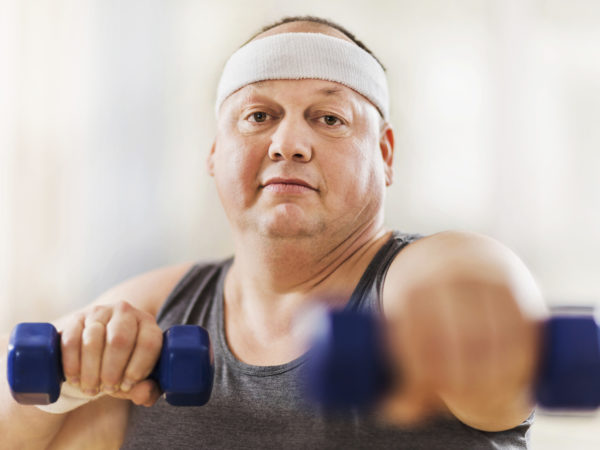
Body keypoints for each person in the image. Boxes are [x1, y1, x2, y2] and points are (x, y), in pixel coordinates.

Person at [0, 15, 547, 449]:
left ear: (383, 155)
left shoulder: (423, 274)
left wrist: (471, 320)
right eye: (258, 116)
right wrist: (54, 387)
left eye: (328, 119)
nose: (289, 143)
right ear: (215, 154)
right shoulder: (154, 307)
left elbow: (481, 301)